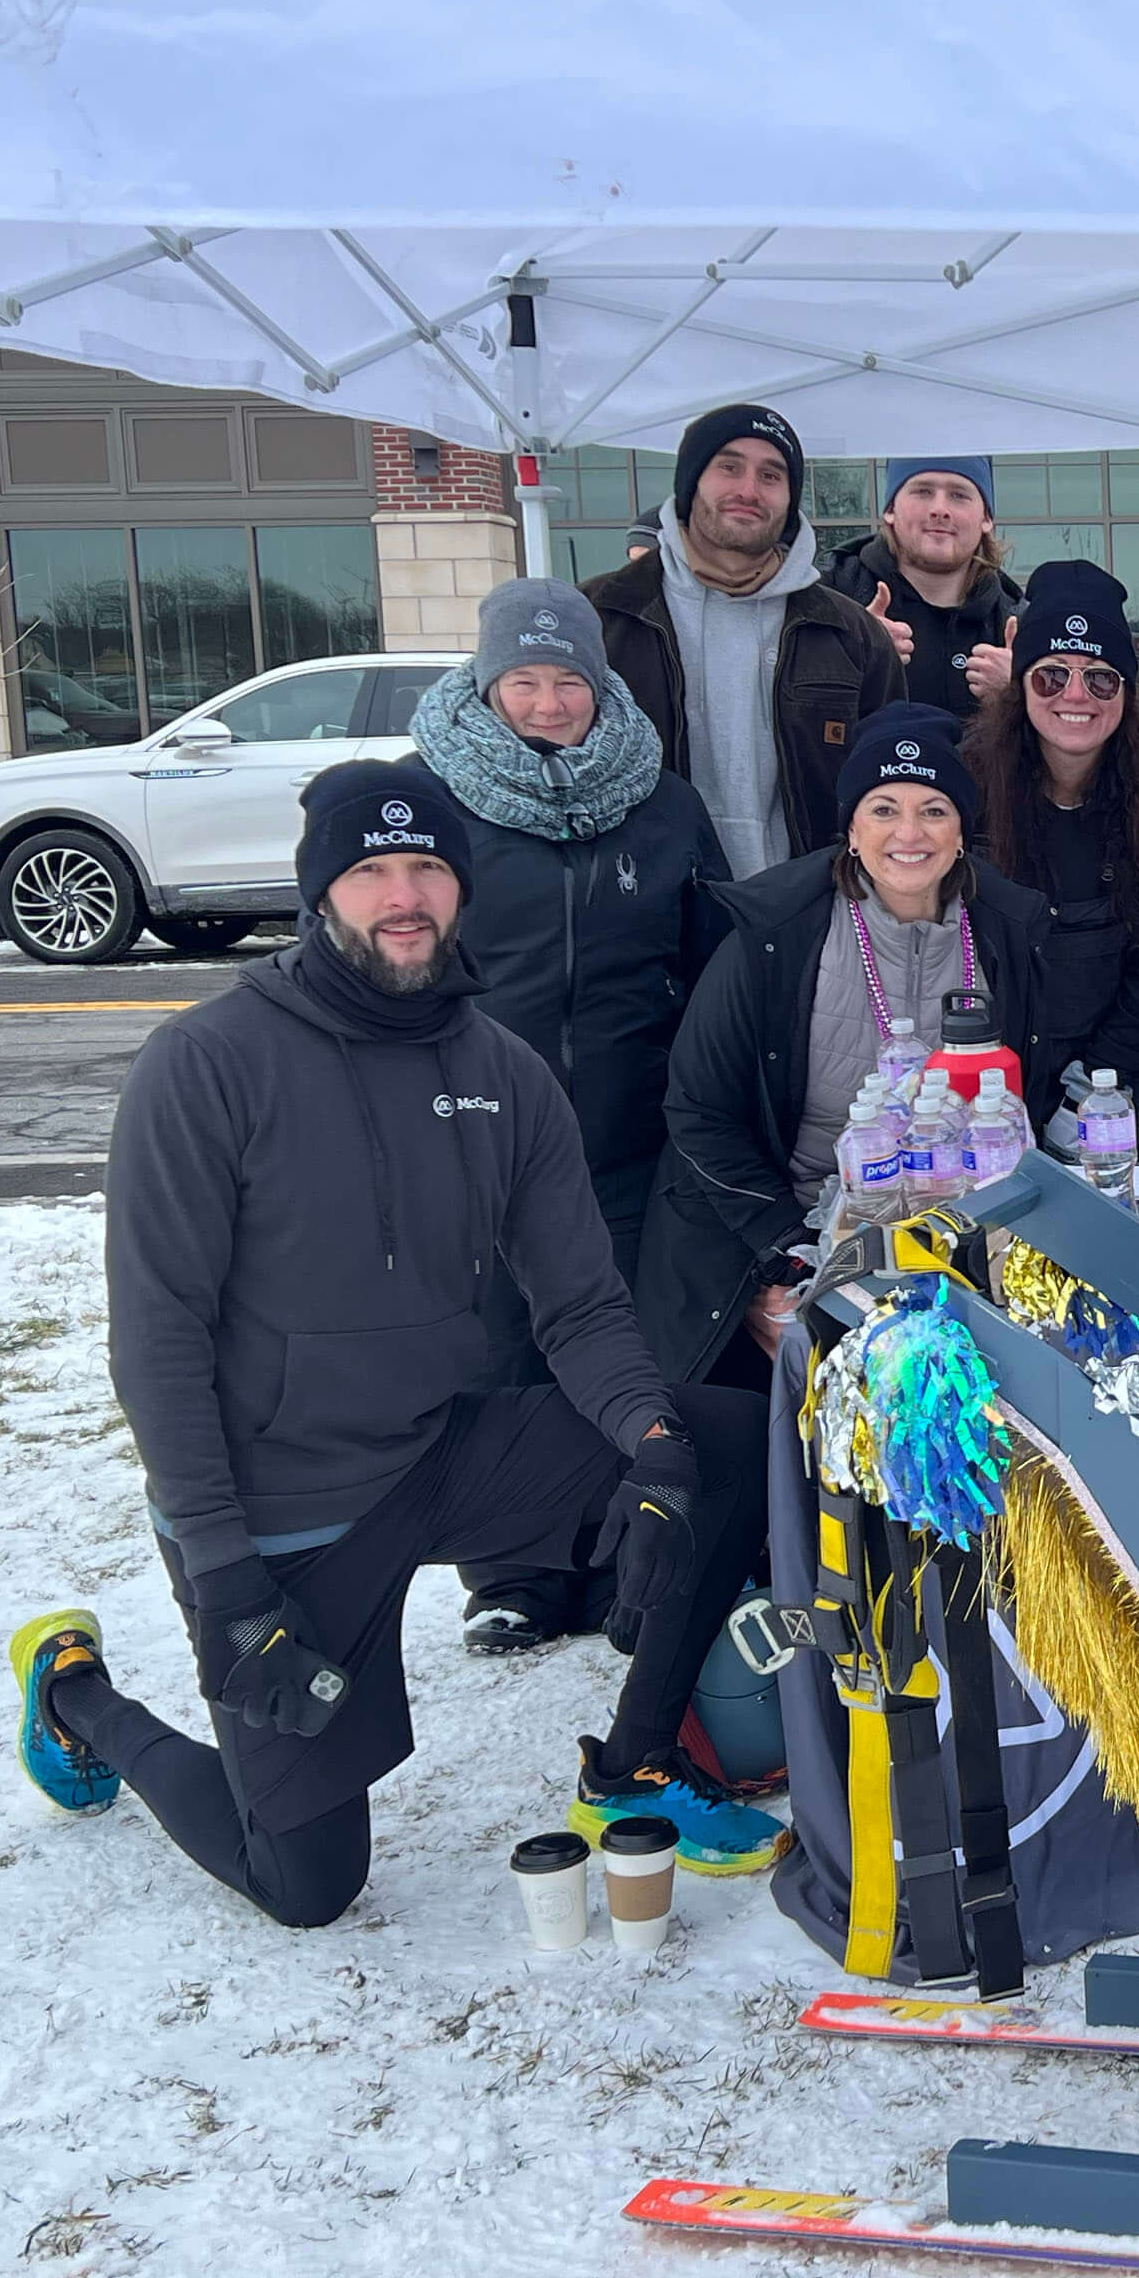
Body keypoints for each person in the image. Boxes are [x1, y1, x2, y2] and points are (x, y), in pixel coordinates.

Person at [9, 763, 783, 1920]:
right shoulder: (207, 1063)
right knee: (307, 1884)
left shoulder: (500, 1073)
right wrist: (227, 1580)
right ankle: (75, 1696)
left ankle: (635, 1766)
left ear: (462, 888)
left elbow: (576, 1303)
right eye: (371, 870)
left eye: (426, 866)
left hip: (432, 1450)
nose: (403, 894)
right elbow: (158, 1341)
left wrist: (654, 1440)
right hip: (282, 1512)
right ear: (321, 892)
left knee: (728, 1441)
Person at [411, 577, 730, 1656]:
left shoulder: (663, 803)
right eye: (525, 681)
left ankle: (615, 1554)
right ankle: (512, 1570)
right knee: (500, 1347)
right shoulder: (433, 803)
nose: (549, 703)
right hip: (479, 1138)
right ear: (488, 683)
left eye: (567, 681)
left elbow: (711, 965)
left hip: (631, 1133)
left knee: (623, 1343)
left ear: (600, 684)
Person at [642, 706, 1053, 1388]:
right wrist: (780, 1259)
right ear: (852, 830)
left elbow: (1030, 1104)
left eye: (934, 810)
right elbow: (698, 1110)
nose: (909, 833)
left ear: (961, 834)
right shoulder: (775, 934)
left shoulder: (1011, 932)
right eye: (884, 808)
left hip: (969, 1244)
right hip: (788, 1235)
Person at [587, 402, 904, 880]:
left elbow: (890, 787)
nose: (748, 490)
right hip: (645, 913)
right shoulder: (602, 616)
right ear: (692, 480)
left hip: (804, 911)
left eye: (771, 476)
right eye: (729, 467)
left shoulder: (849, 633)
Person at [963, 559, 1139, 1158]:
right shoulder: (968, 786)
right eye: (1052, 676)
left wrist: (1091, 1088)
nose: (1076, 696)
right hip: (1000, 1083)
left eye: (1101, 678)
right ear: (1021, 683)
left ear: (1126, 690)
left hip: (1127, 1081)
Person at [828, 456, 1022, 725]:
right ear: (890, 509)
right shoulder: (829, 598)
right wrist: (845, 657)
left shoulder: (1020, 623)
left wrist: (1021, 693)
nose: (940, 509)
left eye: (958, 495)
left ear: (986, 518)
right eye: (923, 491)